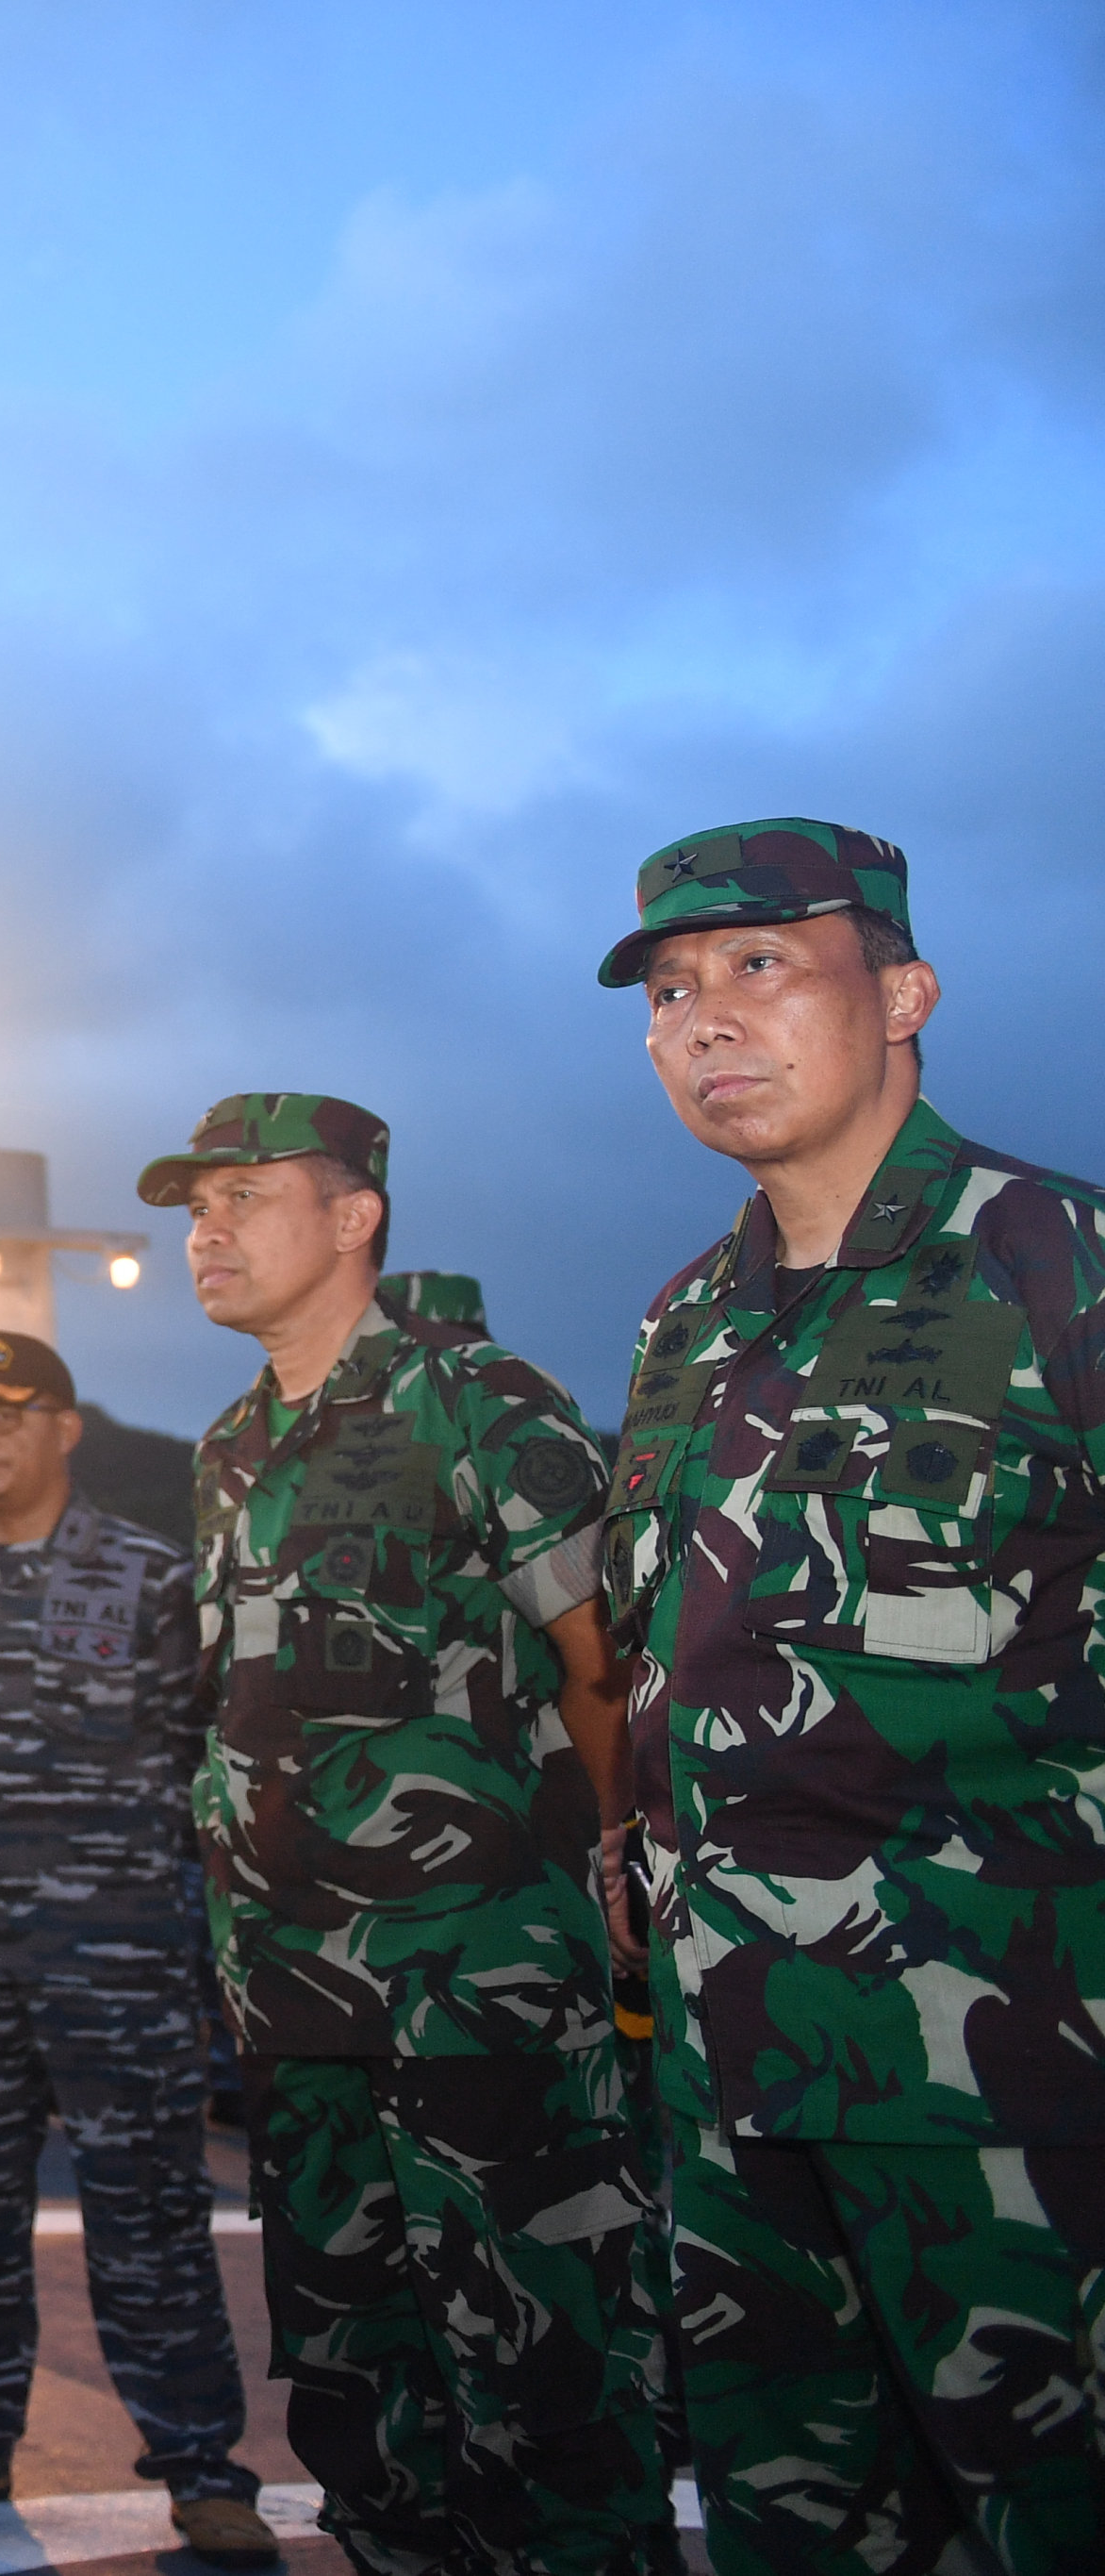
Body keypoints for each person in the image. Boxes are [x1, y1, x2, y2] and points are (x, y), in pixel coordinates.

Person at [597, 820, 1104, 2573]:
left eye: (759, 968)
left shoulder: (1056, 1263)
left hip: (1008, 2087)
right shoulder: (687, 1323)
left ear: (902, 994)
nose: (705, 1019)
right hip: (736, 2081)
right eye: (669, 990)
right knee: (791, 2526)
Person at [147, 1092, 670, 2575]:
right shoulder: (230, 1444)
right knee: (358, 2380)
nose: (210, 1230)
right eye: (194, 1206)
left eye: (245, 1196)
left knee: (544, 2375)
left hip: (481, 1984)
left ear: (356, 1215)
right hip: (298, 1996)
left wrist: (620, 1853)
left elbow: (598, 1656)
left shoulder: (475, 1398)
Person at [0, 1329, 272, 2568]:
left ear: (65, 1427)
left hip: (120, 1949)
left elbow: (202, 1740)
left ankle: (202, 2463)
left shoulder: (152, 1579)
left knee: (151, 2208)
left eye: (4, 1412)